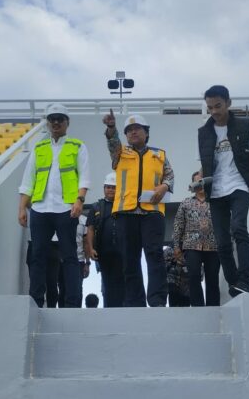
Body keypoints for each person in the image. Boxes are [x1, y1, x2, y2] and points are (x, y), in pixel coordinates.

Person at [18, 104, 90, 308]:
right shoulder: (39, 148)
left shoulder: (77, 146)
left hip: (66, 208)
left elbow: (84, 177)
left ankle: (72, 303)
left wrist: (79, 200)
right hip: (40, 209)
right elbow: (28, 180)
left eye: (60, 118)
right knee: (37, 257)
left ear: (67, 122)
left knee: (69, 257)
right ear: (48, 123)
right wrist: (22, 208)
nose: (56, 122)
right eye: (52, 119)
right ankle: (36, 302)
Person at [198, 85, 249, 297]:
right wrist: (199, 182)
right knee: (221, 240)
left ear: (228, 102)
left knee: (238, 228)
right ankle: (234, 282)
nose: (214, 111)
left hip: (240, 185)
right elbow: (204, 163)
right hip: (215, 189)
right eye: (210, 107)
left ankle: (245, 279)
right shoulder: (203, 132)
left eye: (218, 106)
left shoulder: (246, 126)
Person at [102, 109, 173, 307]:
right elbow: (112, 141)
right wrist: (111, 127)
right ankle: (135, 301)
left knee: (155, 255)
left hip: (152, 212)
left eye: (138, 129)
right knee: (130, 259)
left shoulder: (159, 155)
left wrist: (165, 186)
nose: (133, 132)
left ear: (146, 133)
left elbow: (170, 176)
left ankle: (157, 300)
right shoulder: (119, 153)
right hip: (127, 212)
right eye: (129, 130)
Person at [173, 171, 220, 306]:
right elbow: (178, 225)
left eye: (202, 181)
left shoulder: (216, 202)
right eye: (197, 181)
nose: (201, 185)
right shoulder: (186, 203)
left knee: (212, 278)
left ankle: (213, 308)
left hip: (214, 246)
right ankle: (198, 306)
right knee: (193, 276)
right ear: (192, 184)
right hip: (191, 246)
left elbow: (225, 223)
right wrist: (176, 246)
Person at [85, 172, 125, 308]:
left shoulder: (125, 206)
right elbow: (90, 229)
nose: (110, 190)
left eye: (113, 187)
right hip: (103, 252)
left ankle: (121, 310)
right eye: (108, 187)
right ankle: (109, 309)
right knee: (107, 282)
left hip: (122, 251)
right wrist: (90, 248)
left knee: (122, 281)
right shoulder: (96, 207)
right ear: (104, 188)